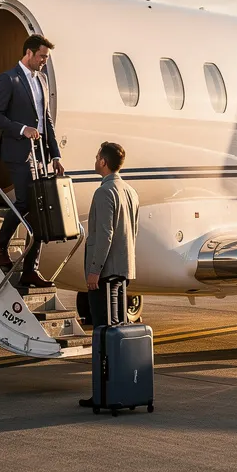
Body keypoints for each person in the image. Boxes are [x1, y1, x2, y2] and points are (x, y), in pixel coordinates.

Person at [0, 34, 66, 289]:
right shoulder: (8, 79)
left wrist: (55, 155)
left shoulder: (42, 80)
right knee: (24, 202)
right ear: (29, 53)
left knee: (41, 210)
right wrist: (22, 129)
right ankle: (0, 247)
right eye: (43, 56)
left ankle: (31, 270)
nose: (45, 61)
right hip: (17, 152)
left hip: (40, 155)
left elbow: (46, 122)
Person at [78, 141, 139, 408]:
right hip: (122, 271)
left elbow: (104, 236)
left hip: (104, 274)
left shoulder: (104, 193)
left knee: (102, 334)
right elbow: (131, 232)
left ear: (103, 161)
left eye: (96, 157)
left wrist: (94, 271)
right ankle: (121, 388)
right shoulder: (130, 191)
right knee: (118, 332)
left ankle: (103, 393)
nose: (94, 160)